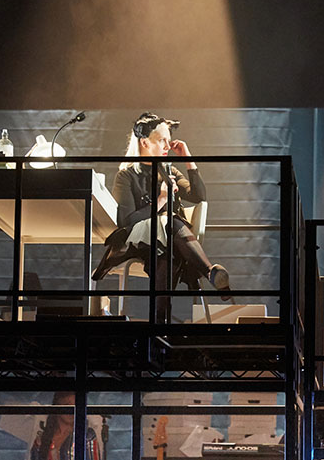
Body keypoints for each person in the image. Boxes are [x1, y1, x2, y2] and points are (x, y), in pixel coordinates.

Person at [92, 112, 231, 318]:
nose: (167, 146)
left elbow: (199, 195)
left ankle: (160, 323)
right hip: (138, 239)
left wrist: (187, 158)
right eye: (161, 140)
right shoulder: (127, 175)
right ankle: (210, 271)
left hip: (167, 242)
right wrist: (162, 200)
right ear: (145, 142)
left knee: (167, 249)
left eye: (169, 140)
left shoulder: (169, 171)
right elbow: (127, 221)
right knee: (168, 222)